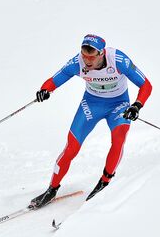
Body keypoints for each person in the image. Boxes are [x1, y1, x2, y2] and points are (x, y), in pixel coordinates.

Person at [30, 34, 152, 207]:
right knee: (71, 148)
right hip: (91, 104)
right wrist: (45, 90)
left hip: (118, 105)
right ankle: (52, 189)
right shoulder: (77, 62)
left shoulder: (118, 60)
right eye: (84, 55)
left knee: (118, 140)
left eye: (91, 57)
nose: (86, 61)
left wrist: (137, 105)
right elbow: (55, 79)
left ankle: (104, 182)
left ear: (101, 54)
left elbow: (146, 85)